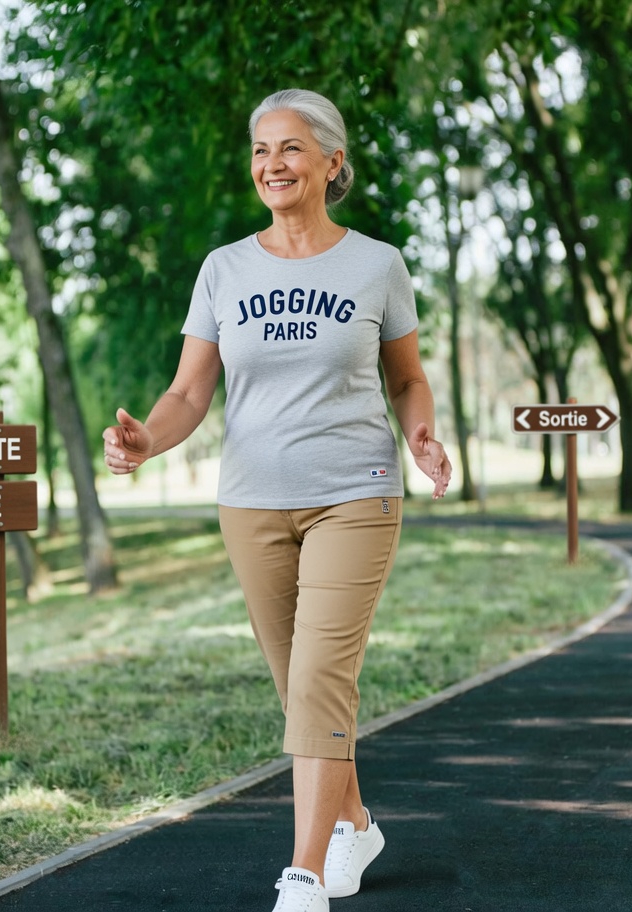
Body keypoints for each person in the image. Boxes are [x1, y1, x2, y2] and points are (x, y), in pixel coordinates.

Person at [102, 88, 451, 912]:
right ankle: (354, 824)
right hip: (252, 502)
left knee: (321, 678)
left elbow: (406, 377)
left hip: (354, 493)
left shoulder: (377, 265)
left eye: (291, 148)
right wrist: (148, 440)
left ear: (332, 162)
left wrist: (422, 434)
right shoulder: (224, 269)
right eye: (261, 150)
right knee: (298, 689)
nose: (272, 164)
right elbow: (189, 393)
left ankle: (302, 875)